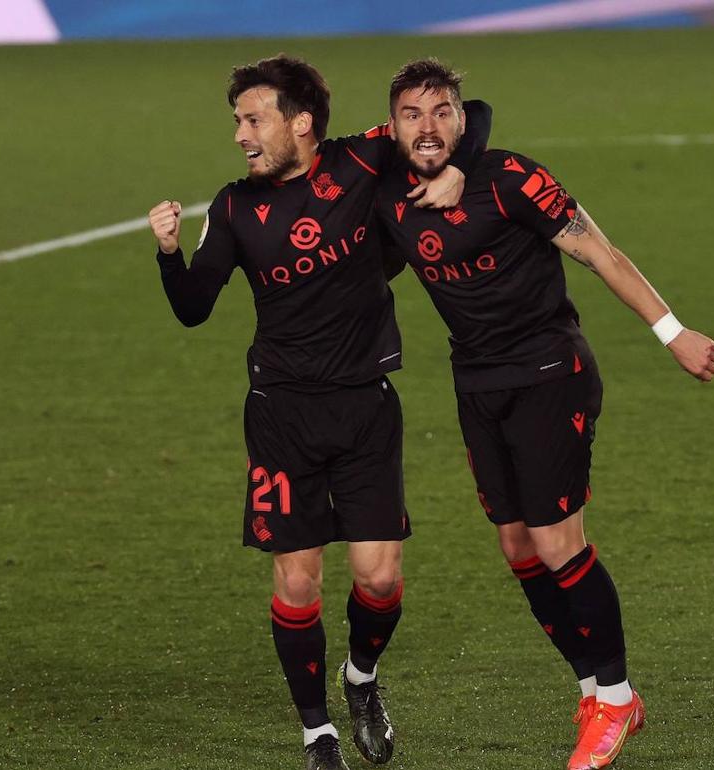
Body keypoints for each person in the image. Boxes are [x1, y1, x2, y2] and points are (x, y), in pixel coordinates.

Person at [372, 59, 714, 770]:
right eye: (413, 114)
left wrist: (673, 332)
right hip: (476, 384)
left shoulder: (511, 179)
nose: (427, 126)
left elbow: (602, 254)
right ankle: (594, 691)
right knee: (519, 548)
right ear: (393, 124)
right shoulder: (386, 185)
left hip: (550, 375)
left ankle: (617, 700)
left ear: (462, 118)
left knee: (559, 543)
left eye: (442, 111)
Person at [148, 55, 490, 770]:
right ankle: (317, 734)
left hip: (365, 405)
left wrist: (458, 169)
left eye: (253, 119)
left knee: (379, 580)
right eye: (237, 121)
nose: (240, 134)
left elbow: (470, 118)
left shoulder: (360, 161)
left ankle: (360, 678)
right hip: (282, 414)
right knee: (298, 581)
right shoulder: (234, 207)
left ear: (300, 123)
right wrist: (170, 253)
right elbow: (192, 308)